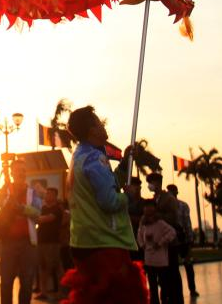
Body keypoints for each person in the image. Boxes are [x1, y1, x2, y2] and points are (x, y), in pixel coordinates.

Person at [61, 106, 147, 304]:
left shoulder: (80, 156)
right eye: (98, 122)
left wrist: (124, 164)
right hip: (103, 241)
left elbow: (107, 184)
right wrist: (128, 196)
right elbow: (109, 201)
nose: (103, 125)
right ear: (92, 130)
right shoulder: (94, 158)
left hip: (85, 241)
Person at [0, 158, 43, 304]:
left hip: (28, 243)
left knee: (27, 282)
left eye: (24, 171)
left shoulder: (32, 192)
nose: (22, 173)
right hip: (8, 242)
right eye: (18, 170)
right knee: (6, 282)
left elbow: (38, 212)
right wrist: (3, 188)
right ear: (12, 173)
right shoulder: (6, 190)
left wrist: (21, 208)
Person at [137, 200, 176, 304]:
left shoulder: (160, 223)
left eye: (150, 206)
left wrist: (161, 242)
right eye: (146, 207)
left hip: (161, 261)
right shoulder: (143, 224)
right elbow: (139, 235)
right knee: (152, 285)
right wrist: (142, 245)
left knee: (164, 285)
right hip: (149, 260)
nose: (148, 209)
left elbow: (172, 232)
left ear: (155, 209)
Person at [165, 185, 198, 298]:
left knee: (188, 264)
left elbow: (187, 223)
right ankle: (175, 291)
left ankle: (192, 289)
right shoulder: (166, 207)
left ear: (176, 193)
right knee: (173, 267)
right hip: (171, 240)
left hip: (182, 239)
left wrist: (189, 239)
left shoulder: (183, 205)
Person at [36, 187, 65, 301]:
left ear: (55, 196)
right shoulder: (43, 208)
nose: (47, 195)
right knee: (42, 267)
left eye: (50, 194)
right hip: (41, 242)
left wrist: (35, 217)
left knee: (56, 267)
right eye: (47, 193)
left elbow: (47, 219)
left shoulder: (57, 209)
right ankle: (43, 292)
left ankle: (61, 292)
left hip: (52, 242)